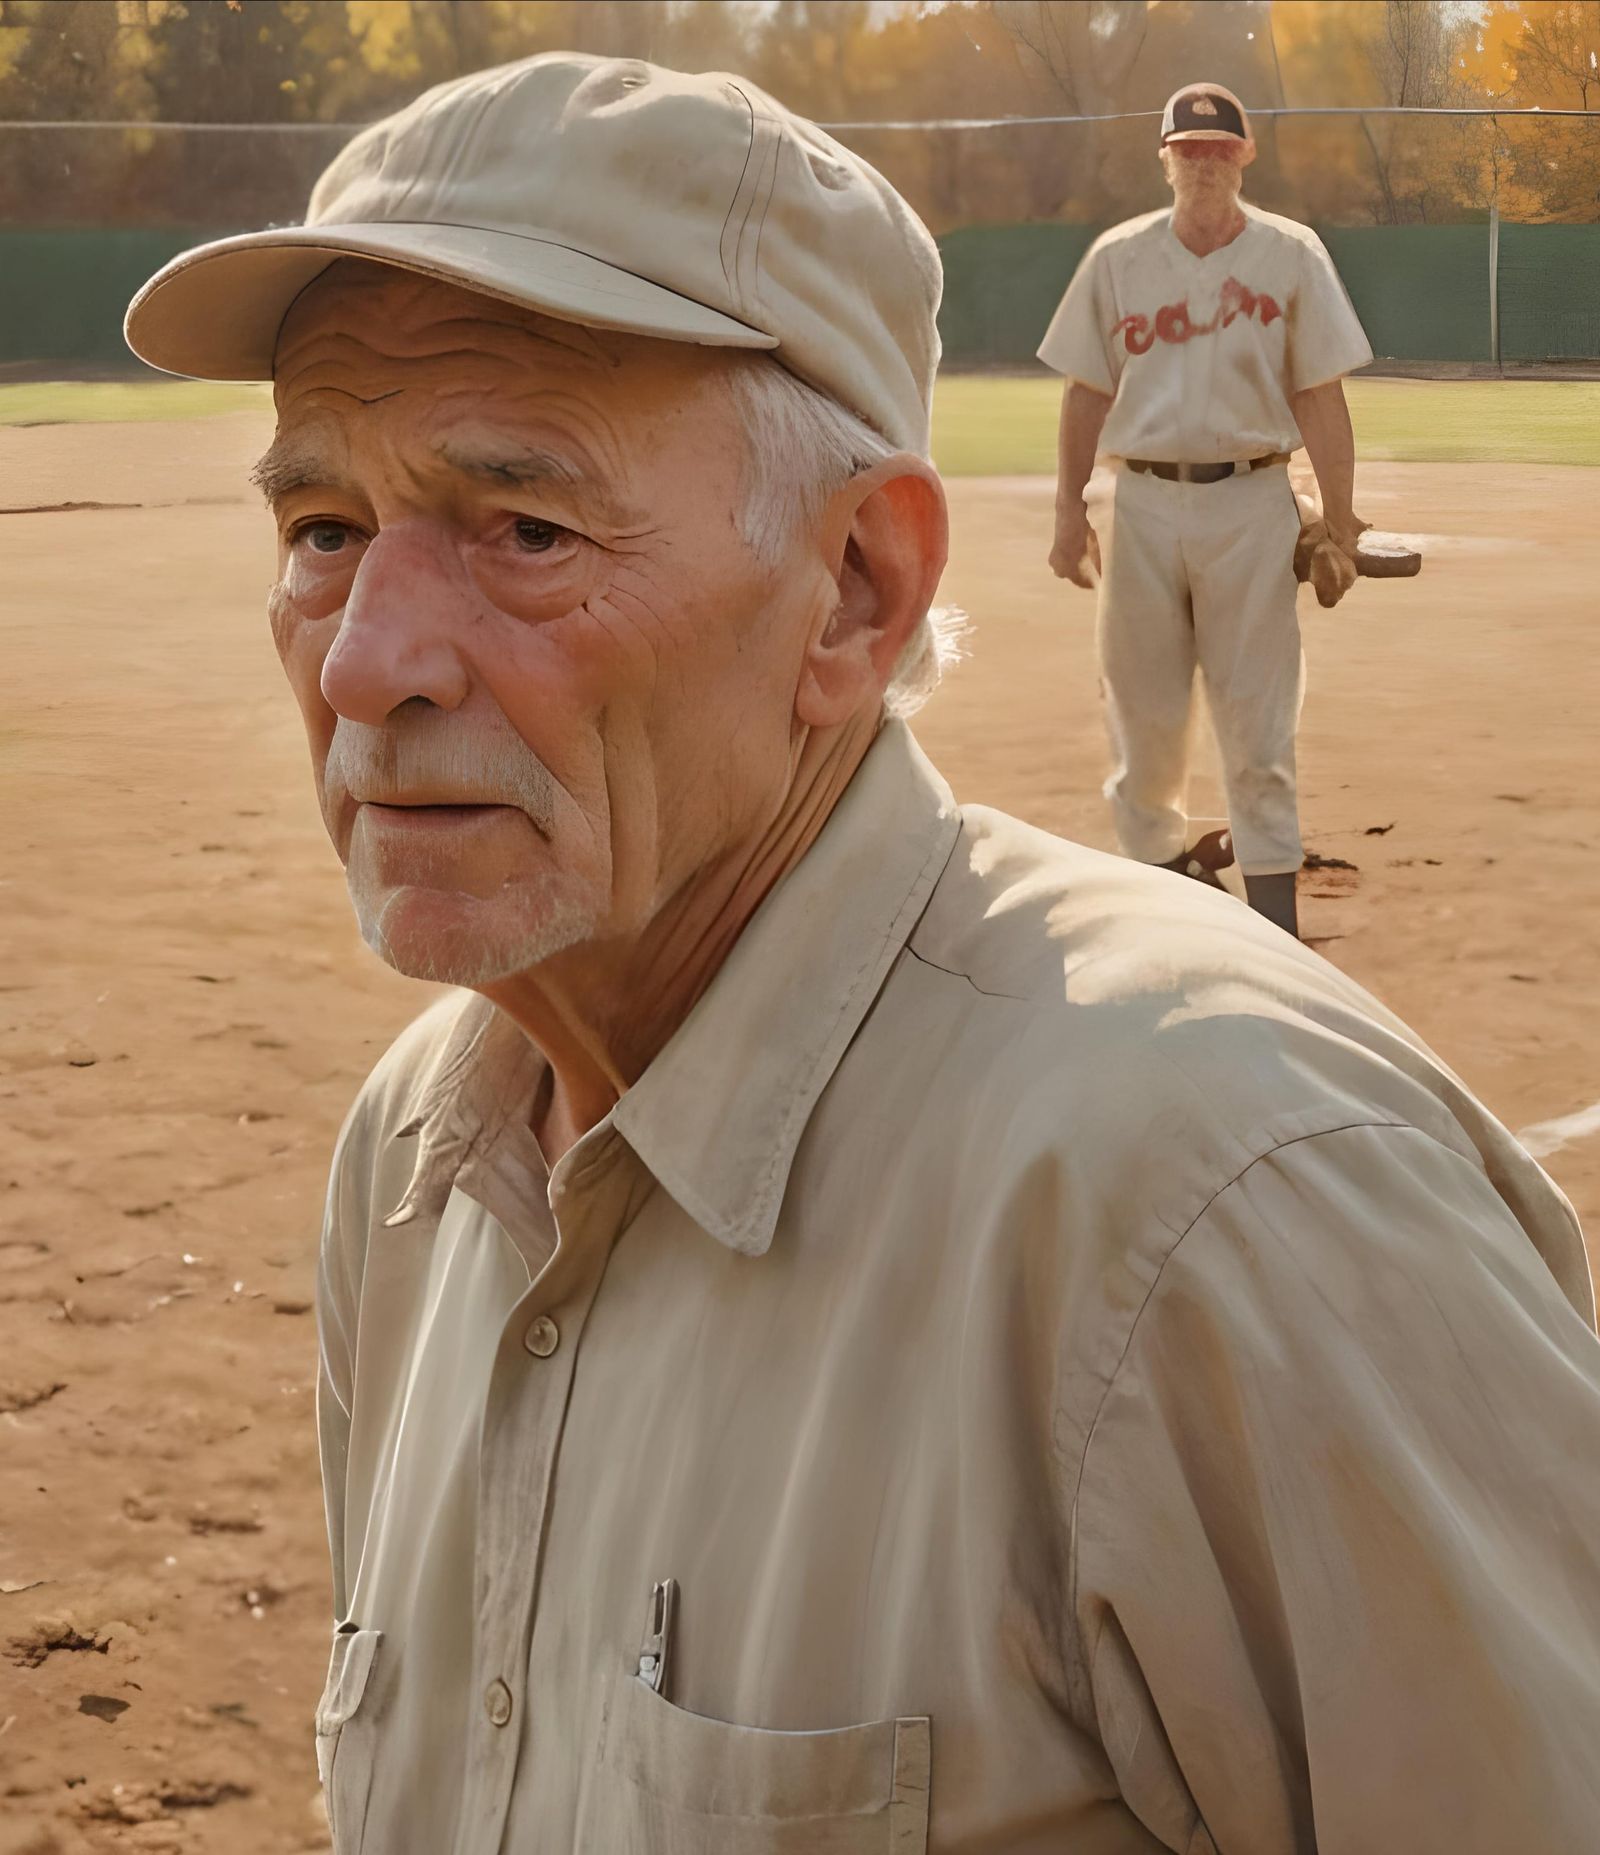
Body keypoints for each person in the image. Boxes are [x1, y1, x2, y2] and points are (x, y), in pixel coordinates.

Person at [125, 52, 1600, 1855]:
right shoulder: (419, 1164)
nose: (366, 662)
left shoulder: (1222, 1210)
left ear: (855, 592)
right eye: (324, 531)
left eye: (524, 530)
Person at [1041, 82, 1373, 939]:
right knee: (1143, 729)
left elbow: (1322, 397)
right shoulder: (1118, 259)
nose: (1203, 163)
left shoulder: (1291, 256)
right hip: (1142, 507)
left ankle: (1276, 934)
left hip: (1255, 504)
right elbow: (1086, 392)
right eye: (1188, 150)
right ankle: (1164, 915)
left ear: (1244, 156)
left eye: (1218, 149)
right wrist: (1068, 514)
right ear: (1165, 159)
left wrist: (1338, 521)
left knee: (1259, 731)